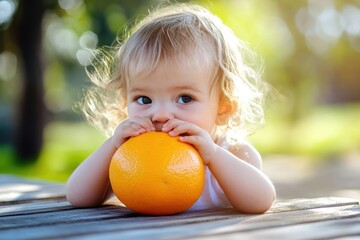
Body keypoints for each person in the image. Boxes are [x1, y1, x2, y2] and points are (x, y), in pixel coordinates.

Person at [66, 3, 276, 214]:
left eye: (185, 98)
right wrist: (111, 146)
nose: (160, 115)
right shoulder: (130, 155)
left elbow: (261, 201)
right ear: (125, 101)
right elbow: (78, 197)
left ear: (223, 107)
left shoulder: (235, 153)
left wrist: (213, 156)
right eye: (144, 99)